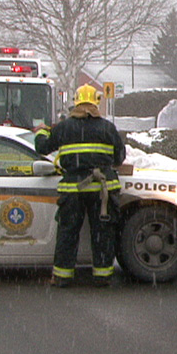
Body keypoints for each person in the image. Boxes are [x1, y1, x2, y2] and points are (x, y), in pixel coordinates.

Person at [35, 83, 126, 288]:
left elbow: (42, 147)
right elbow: (119, 157)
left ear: (75, 102)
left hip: (73, 190)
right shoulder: (107, 128)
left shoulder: (64, 128)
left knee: (68, 233)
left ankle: (62, 276)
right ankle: (102, 276)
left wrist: (42, 131)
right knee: (102, 234)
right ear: (96, 102)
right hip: (102, 191)